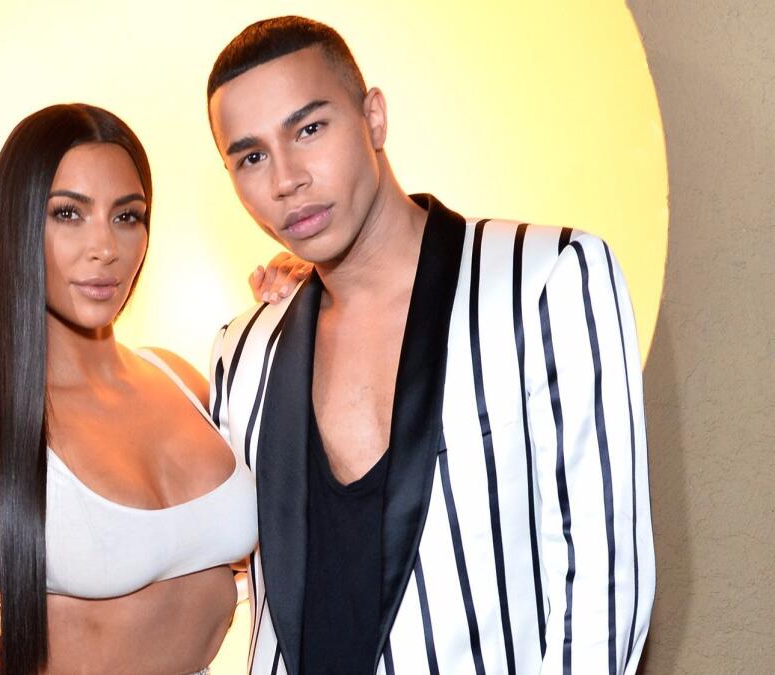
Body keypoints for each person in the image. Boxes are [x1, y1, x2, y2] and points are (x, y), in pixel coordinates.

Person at [205, 16, 655, 675]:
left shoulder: (546, 276)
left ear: (374, 118)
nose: (285, 179)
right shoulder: (240, 352)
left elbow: (605, 578)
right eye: (251, 156)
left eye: (309, 128)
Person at [0, 103, 307, 675]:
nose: (105, 248)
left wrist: (305, 299)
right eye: (69, 214)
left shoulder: (181, 381)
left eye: (127, 217)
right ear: (18, 224)